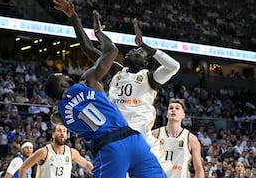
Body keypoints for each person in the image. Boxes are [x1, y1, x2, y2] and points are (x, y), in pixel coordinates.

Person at [41, 9, 166, 178]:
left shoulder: (62, 112)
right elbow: (101, 49)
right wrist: (97, 31)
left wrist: (57, 110)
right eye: (65, 76)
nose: (133, 52)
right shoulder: (99, 78)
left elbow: (56, 119)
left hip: (113, 145)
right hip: (133, 138)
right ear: (64, 83)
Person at [53, 0, 180, 161]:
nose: (133, 50)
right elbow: (87, 48)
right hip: (114, 131)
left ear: (145, 62)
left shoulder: (150, 78)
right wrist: (74, 17)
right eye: (135, 49)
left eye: (139, 52)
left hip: (139, 134)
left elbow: (174, 66)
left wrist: (145, 46)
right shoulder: (118, 72)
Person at [152, 98, 204, 178]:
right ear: (167, 114)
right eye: (171, 108)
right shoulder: (154, 135)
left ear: (183, 115)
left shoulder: (191, 139)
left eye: (177, 108)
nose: (173, 110)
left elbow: (199, 169)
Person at [19, 124, 93, 178]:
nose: (62, 133)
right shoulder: (44, 152)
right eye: (59, 131)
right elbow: (23, 168)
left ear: (66, 136)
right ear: (53, 134)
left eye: (64, 131)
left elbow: (86, 164)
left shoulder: (71, 152)